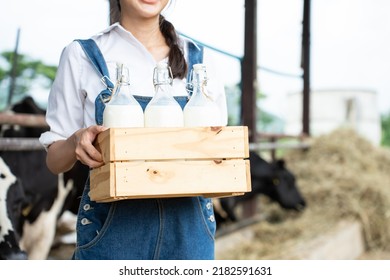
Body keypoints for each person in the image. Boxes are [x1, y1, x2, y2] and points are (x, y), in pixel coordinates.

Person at [39, 0, 228, 260]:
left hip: (189, 233)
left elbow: (219, 156)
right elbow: (54, 162)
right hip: (112, 232)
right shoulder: (82, 55)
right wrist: (74, 142)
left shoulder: (200, 62)